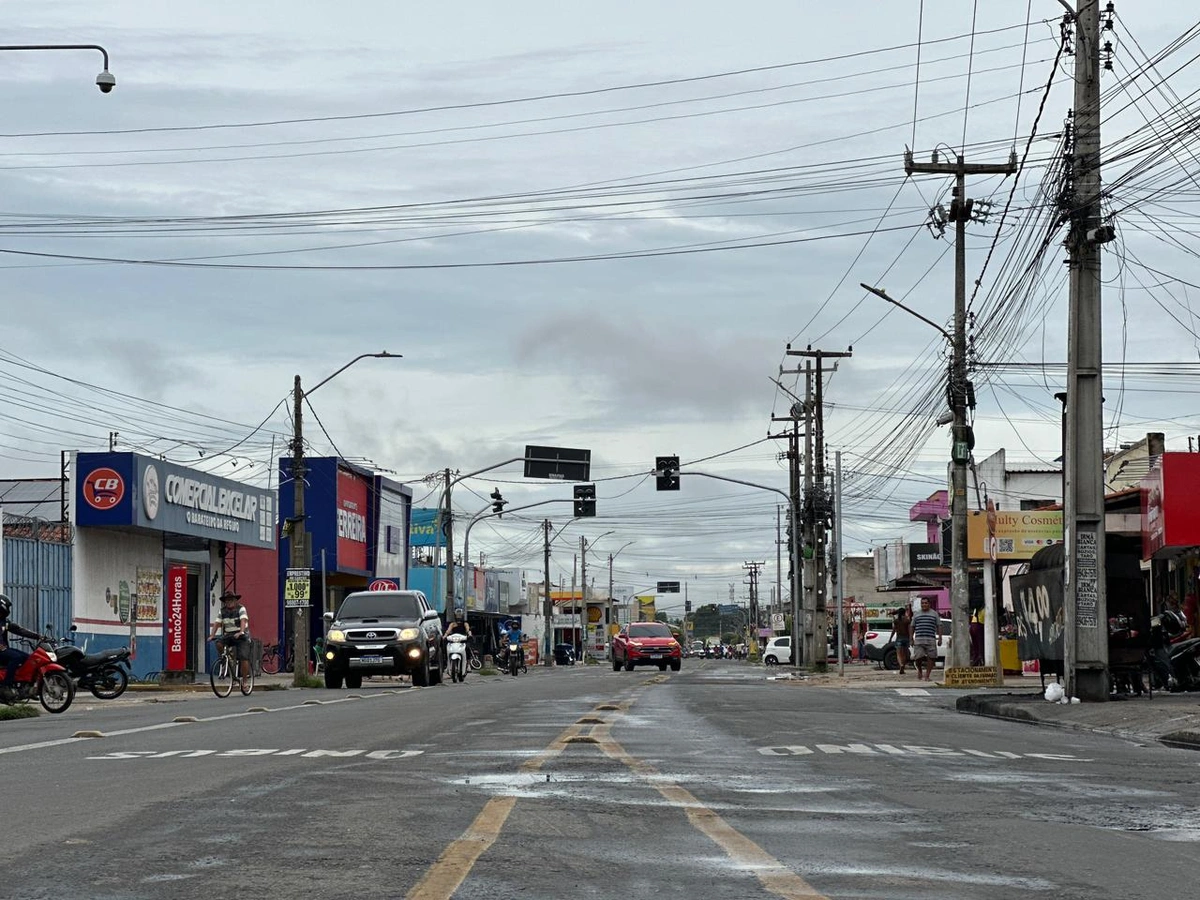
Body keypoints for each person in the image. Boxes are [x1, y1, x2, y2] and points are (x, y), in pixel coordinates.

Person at [0, 595, 46, 687]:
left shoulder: (4, 622)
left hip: (4, 650)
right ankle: (7, 684)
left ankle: (25, 685)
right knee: (16, 657)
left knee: (29, 658)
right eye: (8, 607)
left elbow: (19, 630)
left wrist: (38, 636)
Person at [209, 591, 251, 685]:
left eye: (231, 600)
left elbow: (243, 621)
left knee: (243, 657)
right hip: (229, 634)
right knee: (218, 643)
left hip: (242, 635)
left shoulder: (241, 608)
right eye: (227, 600)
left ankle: (244, 681)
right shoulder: (222, 611)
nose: (229, 602)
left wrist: (241, 631)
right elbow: (217, 623)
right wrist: (212, 635)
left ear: (235, 600)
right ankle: (225, 659)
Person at [910, 596, 942, 682]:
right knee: (918, 658)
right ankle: (920, 671)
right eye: (922, 603)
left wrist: (940, 638)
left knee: (931, 658)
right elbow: (912, 627)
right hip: (919, 639)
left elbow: (939, 625)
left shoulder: (934, 614)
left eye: (926, 603)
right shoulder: (916, 614)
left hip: (930, 639)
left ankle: (927, 675)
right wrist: (911, 639)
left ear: (929, 604)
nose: (924, 605)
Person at [889, 606, 912, 675]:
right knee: (904, 654)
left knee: (898, 654)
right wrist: (911, 639)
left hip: (899, 638)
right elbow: (910, 630)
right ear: (904, 613)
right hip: (906, 638)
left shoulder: (896, 621)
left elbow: (893, 631)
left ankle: (901, 665)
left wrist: (890, 638)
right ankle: (903, 667)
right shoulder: (907, 620)